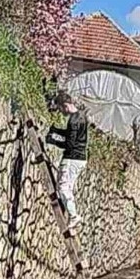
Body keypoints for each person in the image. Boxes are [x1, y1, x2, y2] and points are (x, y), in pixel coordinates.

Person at [46, 92, 88, 227]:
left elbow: (69, 144)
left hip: (72, 158)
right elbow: (70, 135)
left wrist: (53, 141)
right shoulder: (80, 116)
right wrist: (57, 131)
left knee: (63, 187)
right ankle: (71, 213)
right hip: (80, 158)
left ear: (65, 105)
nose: (61, 112)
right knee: (67, 187)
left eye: (60, 109)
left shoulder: (74, 120)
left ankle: (73, 215)